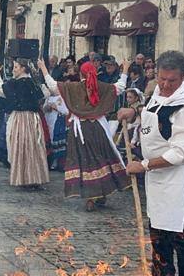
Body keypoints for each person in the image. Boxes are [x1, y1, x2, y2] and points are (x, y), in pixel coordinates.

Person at [122, 50, 184, 276]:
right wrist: (133, 112)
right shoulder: (158, 92)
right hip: (158, 177)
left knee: (182, 236)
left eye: (172, 80)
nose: (166, 85)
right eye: (162, 79)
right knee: (159, 234)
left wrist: (144, 165)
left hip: (177, 178)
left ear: (183, 78)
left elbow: (179, 153)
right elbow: (153, 114)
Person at [38, 57, 128, 212]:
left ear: (80, 74)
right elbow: (120, 87)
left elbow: (52, 86)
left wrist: (43, 68)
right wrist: (125, 68)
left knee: (85, 161)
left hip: (79, 130)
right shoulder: (102, 87)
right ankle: (100, 193)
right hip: (98, 129)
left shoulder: (73, 88)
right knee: (100, 159)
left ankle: (92, 197)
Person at [0, 59, 50, 188]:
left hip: (19, 118)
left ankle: (23, 178)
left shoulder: (14, 83)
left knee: (20, 147)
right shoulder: (32, 83)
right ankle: (35, 178)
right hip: (33, 118)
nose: (13, 70)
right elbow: (45, 93)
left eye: (16, 67)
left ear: (23, 68)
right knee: (34, 148)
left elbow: (0, 90)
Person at [43, 89, 69, 172]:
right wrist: (47, 107)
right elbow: (43, 109)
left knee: (57, 142)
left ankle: (58, 162)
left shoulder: (61, 98)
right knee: (49, 141)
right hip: (48, 121)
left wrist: (56, 107)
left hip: (57, 123)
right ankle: (50, 162)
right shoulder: (48, 98)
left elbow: (66, 111)